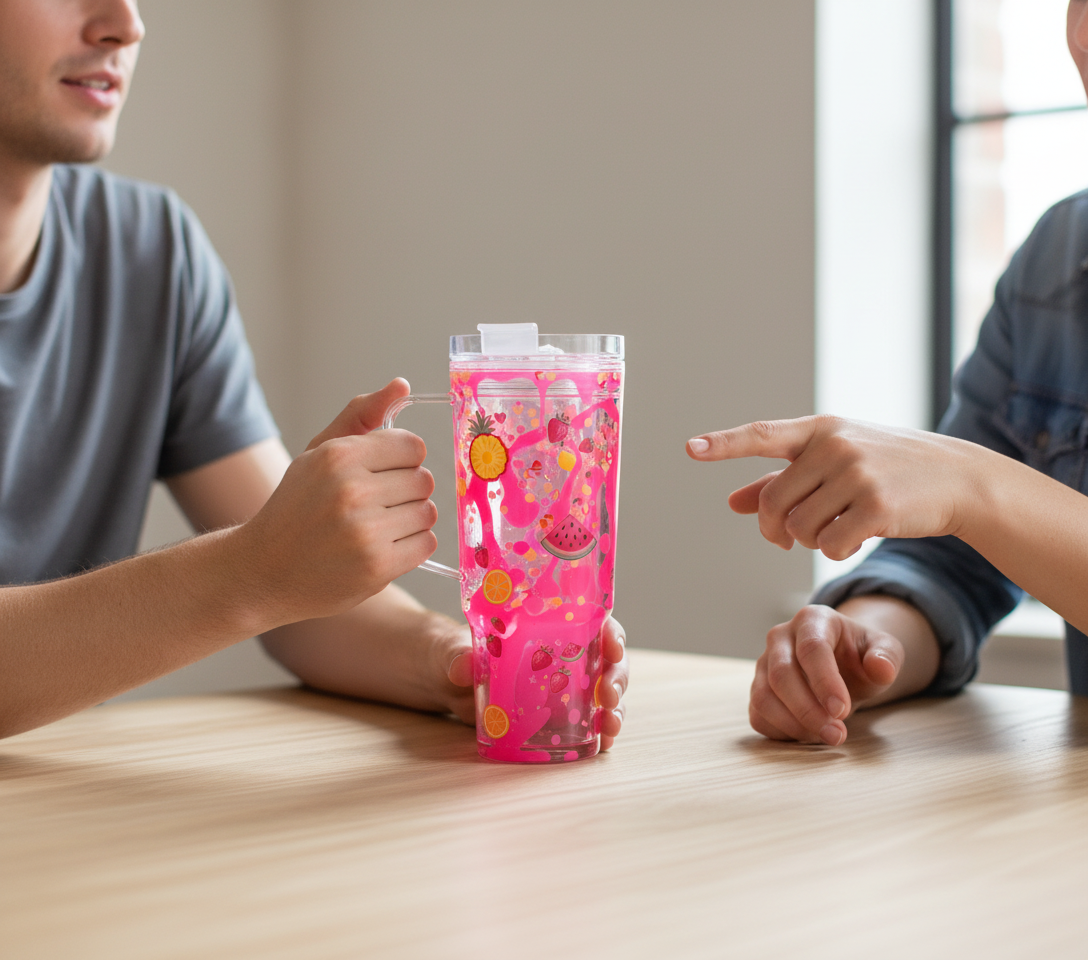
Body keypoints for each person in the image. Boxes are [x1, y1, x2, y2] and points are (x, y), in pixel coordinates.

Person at [0, 0, 629, 742]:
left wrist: (457, 664)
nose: (125, 24)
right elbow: (264, 564)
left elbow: (300, 592)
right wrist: (248, 572)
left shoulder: (151, 251)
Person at [686, 0, 1088, 748]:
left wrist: (970, 484)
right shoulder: (1059, 256)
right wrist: (859, 647)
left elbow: (977, 502)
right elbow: (953, 565)